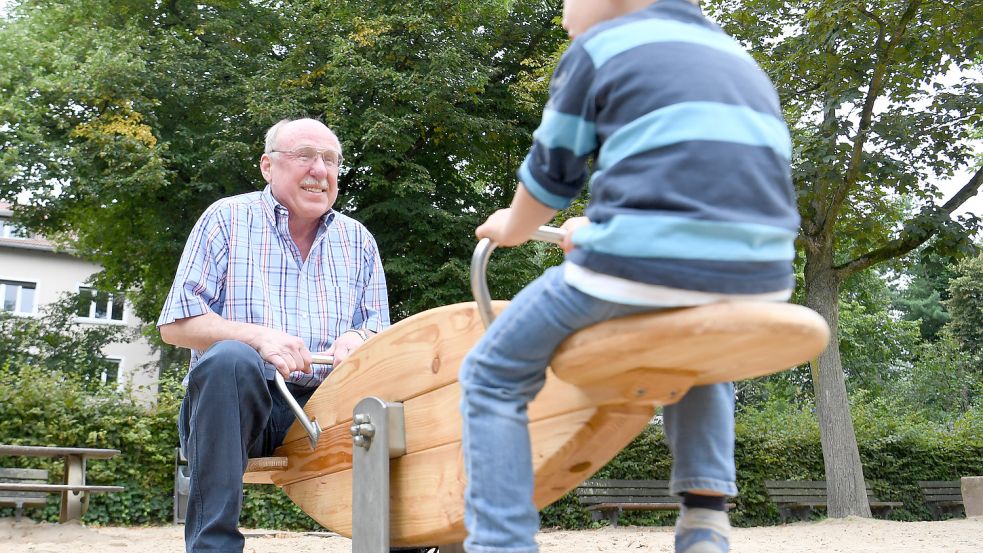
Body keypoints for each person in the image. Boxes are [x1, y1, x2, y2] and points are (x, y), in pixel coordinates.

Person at [458, 1, 799, 552]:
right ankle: (705, 521)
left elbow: (550, 177)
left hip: (639, 263)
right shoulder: (736, 57)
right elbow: (691, 193)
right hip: (760, 274)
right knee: (694, 352)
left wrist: (513, 227)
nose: (565, 12)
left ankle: (500, 543)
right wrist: (594, 229)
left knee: (491, 374)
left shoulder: (598, 48)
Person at [158, 118, 390, 553]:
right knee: (231, 357)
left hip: (326, 409)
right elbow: (175, 326)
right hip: (237, 409)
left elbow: (379, 327)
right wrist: (256, 337)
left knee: (404, 391)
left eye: (330, 160)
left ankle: (410, 539)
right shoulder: (226, 218)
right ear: (268, 166)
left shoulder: (358, 240)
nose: (319, 170)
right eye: (304, 156)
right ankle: (214, 548)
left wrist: (359, 339)